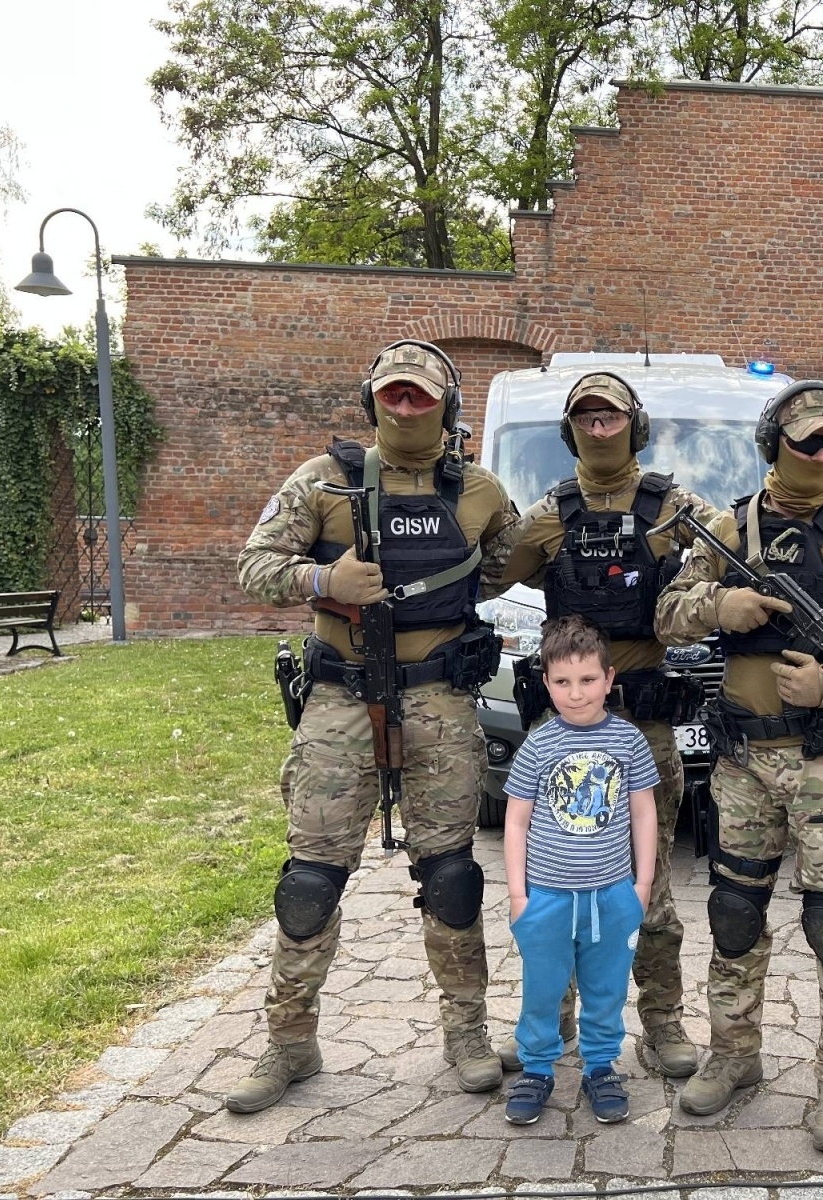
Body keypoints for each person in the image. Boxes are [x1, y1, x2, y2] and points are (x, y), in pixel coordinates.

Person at [230, 340, 517, 1112]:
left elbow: (510, 564)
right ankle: (289, 1042)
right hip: (339, 702)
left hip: (440, 703)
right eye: (394, 393)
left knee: (452, 876)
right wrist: (324, 579)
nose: (406, 406)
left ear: (447, 405)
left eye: (421, 395)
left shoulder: (482, 490)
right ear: (372, 401)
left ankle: (466, 1034)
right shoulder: (319, 482)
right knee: (310, 882)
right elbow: (254, 566)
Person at [654, 380, 823, 1152]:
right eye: (806, 439)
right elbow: (667, 620)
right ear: (774, 442)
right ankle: (734, 1055)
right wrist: (719, 609)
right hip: (740, 760)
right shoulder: (723, 530)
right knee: (735, 916)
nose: (821, 453)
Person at [484, 371, 725, 1080]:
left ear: (634, 424)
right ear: (570, 430)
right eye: (585, 417)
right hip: (564, 731)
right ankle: (551, 1027)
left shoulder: (673, 507)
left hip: (643, 725)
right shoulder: (549, 513)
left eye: (610, 416)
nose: (598, 427)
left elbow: (732, 549)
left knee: (648, 886)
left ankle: (663, 1024)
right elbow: (489, 576)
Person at [500, 615, 659, 1124]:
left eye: (588, 680)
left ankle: (600, 1066)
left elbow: (643, 812)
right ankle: (537, 1067)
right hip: (546, 896)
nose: (576, 693)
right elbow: (516, 822)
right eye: (563, 682)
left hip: (612, 894)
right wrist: (519, 896)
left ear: (609, 680)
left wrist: (642, 885)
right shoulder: (538, 745)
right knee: (542, 989)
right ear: (546, 683)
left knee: (606, 987)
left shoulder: (629, 742)